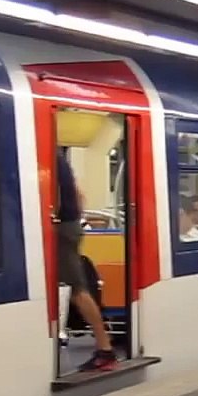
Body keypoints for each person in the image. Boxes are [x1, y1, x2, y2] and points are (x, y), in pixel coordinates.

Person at [55, 151, 118, 371]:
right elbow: (79, 195)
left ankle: (105, 350)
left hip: (61, 229)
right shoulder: (58, 157)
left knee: (77, 289)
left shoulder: (44, 153)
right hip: (68, 226)